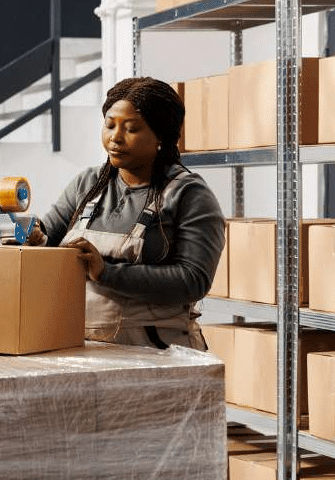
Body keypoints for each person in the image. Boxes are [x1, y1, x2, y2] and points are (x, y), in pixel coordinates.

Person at [24, 77, 225, 349]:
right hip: (84, 348)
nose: (115, 138)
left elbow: (193, 280)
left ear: (161, 136)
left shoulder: (189, 195)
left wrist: (107, 272)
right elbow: (47, 241)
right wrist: (33, 239)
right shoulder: (88, 184)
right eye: (109, 125)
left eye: (131, 128)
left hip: (158, 352)